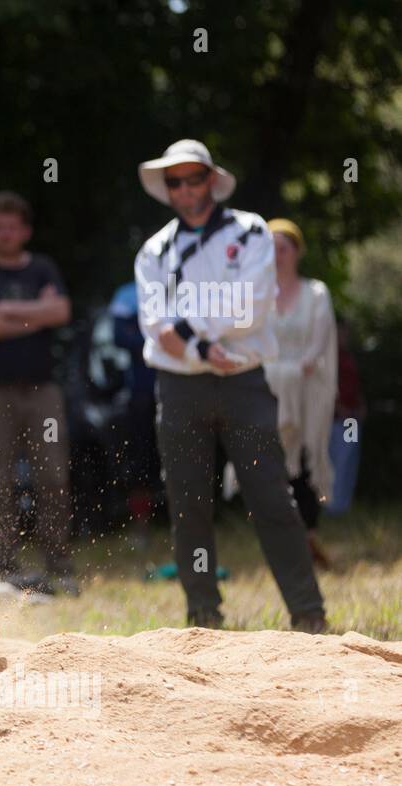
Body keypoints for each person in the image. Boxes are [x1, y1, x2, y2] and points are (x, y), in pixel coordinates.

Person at [133, 139, 327, 632]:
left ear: (212, 180)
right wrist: (199, 347)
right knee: (189, 506)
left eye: (192, 178)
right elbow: (154, 325)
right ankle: (203, 617)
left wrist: (187, 332)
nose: (184, 189)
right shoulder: (154, 250)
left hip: (243, 383)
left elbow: (250, 305)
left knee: (271, 499)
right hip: (178, 389)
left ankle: (308, 615)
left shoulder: (251, 230)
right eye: (173, 181)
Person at [0, 191, 76, 593]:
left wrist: (6, 310)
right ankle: (3, 567)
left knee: (53, 475)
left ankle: (59, 564)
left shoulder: (43, 267)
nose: (5, 234)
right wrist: (35, 315)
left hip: (42, 389)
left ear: (25, 230)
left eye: (13, 226)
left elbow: (61, 312)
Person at [263, 218, 337, 568]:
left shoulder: (316, 293)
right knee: (273, 461)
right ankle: (281, 535)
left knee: (307, 457)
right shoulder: (258, 295)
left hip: (307, 393)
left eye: (283, 248)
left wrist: (297, 367)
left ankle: (308, 533)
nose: (277, 255)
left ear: (296, 251)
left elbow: (319, 343)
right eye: (271, 248)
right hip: (269, 393)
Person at [109, 281, 161, 547]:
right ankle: (142, 529)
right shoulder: (128, 293)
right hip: (141, 394)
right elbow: (120, 337)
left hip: (181, 392)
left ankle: (188, 528)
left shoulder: (191, 284)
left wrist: (144, 335)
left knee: (184, 460)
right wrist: (164, 339)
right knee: (141, 461)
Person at [325, 317, 365, 516]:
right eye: (342, 332)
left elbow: (354, 387)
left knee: (348, 459)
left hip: (350, 419)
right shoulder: (327, 358)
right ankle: (332, 506)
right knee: (335, 460)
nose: (345, 336)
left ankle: (342, 505)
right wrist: (339, 407)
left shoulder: (347, 357)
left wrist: (359, 406)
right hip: (334, 419)